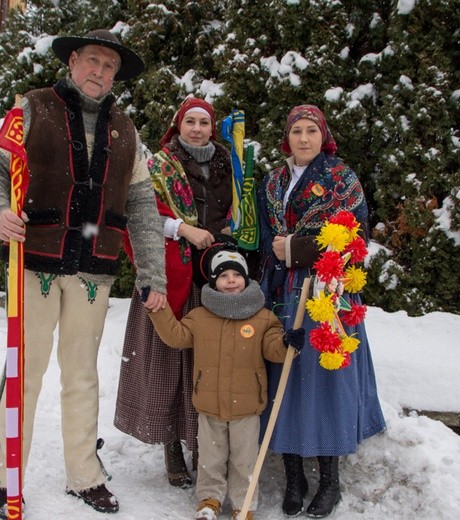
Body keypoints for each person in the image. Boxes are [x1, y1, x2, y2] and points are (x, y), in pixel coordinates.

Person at [0, 29, 167, 518]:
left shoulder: (127, 131)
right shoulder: (31, 109)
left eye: (109, 67)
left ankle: (84, 474)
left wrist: (153, 273)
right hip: (34, 260)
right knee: (26, 372)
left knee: (81, 375)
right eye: (93, 62)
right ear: (73, 62)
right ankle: (6, 472)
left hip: (94, 269)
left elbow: (143, 206)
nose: (100, 73)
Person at [257, 105, 386, 518]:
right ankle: (294, 476)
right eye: (297, 130)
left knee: (324, 377)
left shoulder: (340, 178)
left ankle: (330, 479)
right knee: (283, 377)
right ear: (287, 136)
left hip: (326, 292)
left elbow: (357, 238)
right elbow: (260, 235)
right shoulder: (273, 180)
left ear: (323, 135)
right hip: (279, 292)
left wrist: (298, 249)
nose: (304, 138)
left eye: (312, 130)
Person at [114, 97, 233, 488]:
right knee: (169, 360)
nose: (197, 128)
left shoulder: (226, 166)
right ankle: (170, 443)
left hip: (214, 275)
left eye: (204, 122)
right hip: (172, 274)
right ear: (178, 126)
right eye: (190, 122)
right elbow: (141, 213)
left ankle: (203, 444)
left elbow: (237, 211)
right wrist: (184, 229)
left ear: (212, 127)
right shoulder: (159, 166)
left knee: (208, 365)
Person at [145, 245, 305, 520]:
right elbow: (175, 336)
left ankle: (244, 505)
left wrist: (288, 342)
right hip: (209, 405)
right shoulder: (200, 316)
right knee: (211, 458)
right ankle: (209, 499)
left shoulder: (263, 318)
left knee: (244, 461)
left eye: (236, 274)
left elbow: (273, 350)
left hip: (247, 407)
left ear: (246, 278)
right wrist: (157, 310)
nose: (231, 280)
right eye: (223, 275)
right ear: (213, 282)